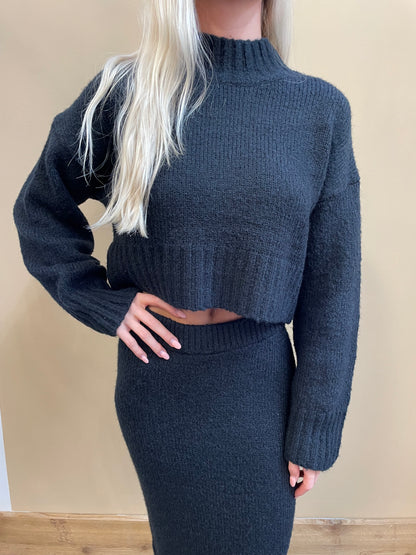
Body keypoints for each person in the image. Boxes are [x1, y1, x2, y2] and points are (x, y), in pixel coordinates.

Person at [12, 0, 361, 553]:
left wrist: (316, 426)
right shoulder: (128, 92)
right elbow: (40, 208)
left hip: (260, 393)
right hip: (160, 386)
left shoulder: (319, 111)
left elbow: (333, 290)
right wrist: (102, 302)